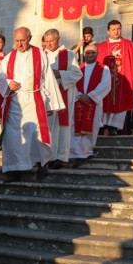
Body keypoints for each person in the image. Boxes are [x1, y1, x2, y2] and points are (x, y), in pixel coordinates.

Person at [0, 27, 64, 182]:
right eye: (17, 41)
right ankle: (14, 168)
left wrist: (51, 104)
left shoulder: (40, 54)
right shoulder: (9, 58)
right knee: (13, 137)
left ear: (30, 38)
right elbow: (0, 78)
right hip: (15, 101)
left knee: (37, 134)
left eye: (23, 40)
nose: (20, 44)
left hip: (35, 99)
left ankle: (42, 164)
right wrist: (8, 83)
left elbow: (48, 78)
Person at [96, 20, 133, 136]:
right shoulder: (101, 47)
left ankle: (113, 127)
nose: (116, 31)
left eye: (118, 29)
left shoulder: (129, 45)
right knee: (104, 101)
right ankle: (103, 127)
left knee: (121, 102)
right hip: (106, 81)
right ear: (108, 31)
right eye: (113, 29)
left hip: (124, 80)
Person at [43, 28, 82, 168]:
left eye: (51, 41)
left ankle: (61, 157)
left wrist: (59, 74)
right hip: (47, 96)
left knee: (62, 126)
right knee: (48, 126)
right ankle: (48, 156)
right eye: (46, 41)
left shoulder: (69, 54)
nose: (49, 44)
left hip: (64, 92)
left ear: (58, 40)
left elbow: (77, 74)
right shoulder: (42, 55)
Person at [69, 44, 112, 163]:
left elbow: (106, 84)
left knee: (91, 126)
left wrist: (90, 96)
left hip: (94, 102)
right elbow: (72, 84)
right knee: (75, 126)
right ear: (84, 54)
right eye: (88, 52)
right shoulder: (78, 68)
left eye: (93, 52)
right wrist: (79, 95)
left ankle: (87, 152)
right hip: (78, 102)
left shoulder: (104, 69)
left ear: (97, 54)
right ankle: (75, 152)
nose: (90, 55)